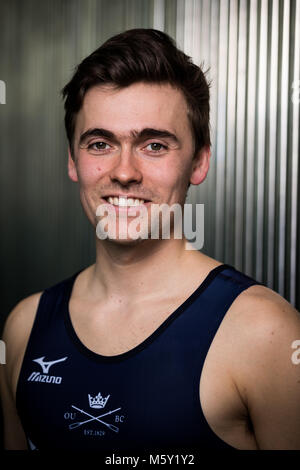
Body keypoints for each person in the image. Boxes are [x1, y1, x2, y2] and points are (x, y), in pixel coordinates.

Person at [1, 28, 300, 452]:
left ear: (199, 162)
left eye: (154, 145)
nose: (124, 172)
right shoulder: (23, 329)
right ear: (73, 160)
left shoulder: (267, 335)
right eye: (100, 143)